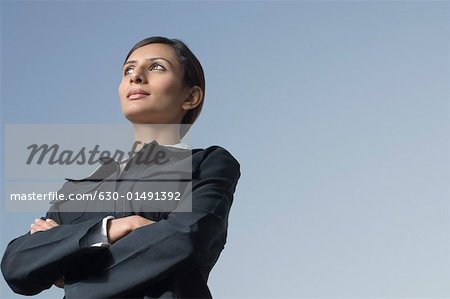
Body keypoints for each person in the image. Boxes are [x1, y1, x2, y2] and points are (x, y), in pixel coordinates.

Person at [1, 36, 241, 299]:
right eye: (128, 69)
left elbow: (185, 239)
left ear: (191, 96)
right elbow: (18, 265)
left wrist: (68, 264)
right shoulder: (80, 187)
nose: (135, 76)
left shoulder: (207, 164)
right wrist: (108, 229)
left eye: (157, 67)